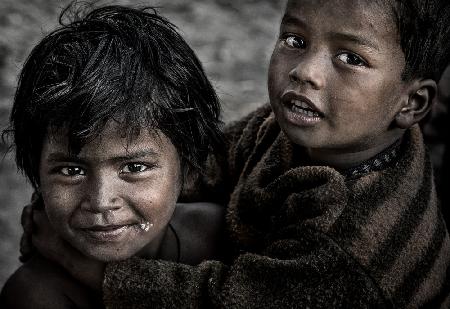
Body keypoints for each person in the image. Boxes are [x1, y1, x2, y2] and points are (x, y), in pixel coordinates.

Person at [16, 0, 450, 307]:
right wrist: (81, 202)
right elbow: (208, 161)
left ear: (410, 104)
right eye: (295, 40)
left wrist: (87, 268)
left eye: (350, 57)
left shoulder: (355, 244)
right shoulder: (314, 128)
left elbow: (223, 301)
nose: (305, 71)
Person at [0, 5, 225, 308]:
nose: (101, 200)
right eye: (71, 171)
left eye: (134, 167)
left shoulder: (224, 235)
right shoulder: (36, 294)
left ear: (189, 168)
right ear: (37, 173)